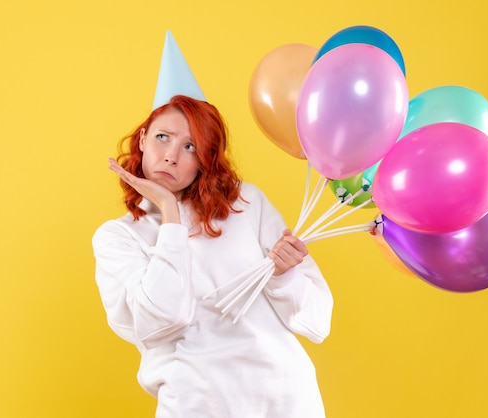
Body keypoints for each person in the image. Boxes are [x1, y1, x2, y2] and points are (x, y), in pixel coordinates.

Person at [92, 94, 334, 417]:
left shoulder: (245, 202)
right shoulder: (118, 237)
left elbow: (319, 322)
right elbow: (161, 321)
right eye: (163, 137)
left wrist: (284, 276)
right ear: (142, 139)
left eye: (190, 147)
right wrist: (169, 212)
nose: (171, 157)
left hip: (287, 400)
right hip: (197, 406)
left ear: (205, 158)